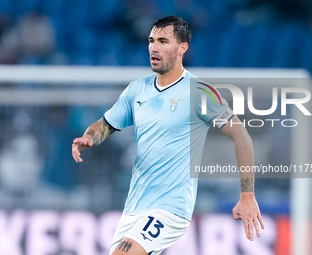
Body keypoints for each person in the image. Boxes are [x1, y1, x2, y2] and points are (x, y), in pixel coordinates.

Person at [72, 16, 264, 255]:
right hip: (134, 208)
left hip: (170, 208)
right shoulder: (137, 89)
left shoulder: (199, 92)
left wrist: (247, 194)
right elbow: (106, 124)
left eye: (163, 41)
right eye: (152, 40)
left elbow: (241, 136)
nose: (154, 47)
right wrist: (90, 136)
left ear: (182, 48)